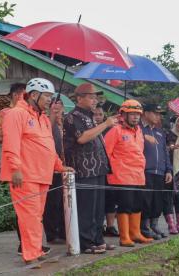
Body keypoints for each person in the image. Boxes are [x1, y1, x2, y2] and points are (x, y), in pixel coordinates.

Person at [0, 78, 74, 267]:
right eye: (47, 96)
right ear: (34, 95)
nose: (50, 100)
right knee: (29, 217)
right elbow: (11, 144)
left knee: (36, 216)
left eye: (51, 96)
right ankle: (30, 254)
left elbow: (49, 147)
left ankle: (35, 250)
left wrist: (59, 166)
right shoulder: (16, 114)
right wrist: (15, 169)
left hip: (42, 174)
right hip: (24, 175)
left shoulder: (42, 118)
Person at [64, 83, 119, 254]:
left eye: (96, 97)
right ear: (79, 98)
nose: (95, 100)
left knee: (98, 208)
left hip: (98, 168)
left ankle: (97, 239)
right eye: (91, 96)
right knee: (86, 208)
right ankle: (86, 243)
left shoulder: (90, 116)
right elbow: (82, 138)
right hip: (83, 169)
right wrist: (105, 124)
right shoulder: (73, 116)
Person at [104, 99, 153, 247]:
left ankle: (135, 233)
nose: (135, 117)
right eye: (132, 114)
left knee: (137, 205)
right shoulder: (115, 130)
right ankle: (124, 237)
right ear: (123, 114)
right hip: (121, 176)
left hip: (138, 175)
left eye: (138, 114)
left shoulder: (139, 131)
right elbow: (106, 152)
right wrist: (112, 171)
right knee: (125, 206)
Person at [141, 104, 173, 240]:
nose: (158, 116)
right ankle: (144, 226)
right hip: (145, 171)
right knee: (146, 200)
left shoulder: (160, 132)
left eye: (160, 114)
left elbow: (165, 152)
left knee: (157, 200)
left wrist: (168, 170)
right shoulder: (139, 130)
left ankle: (154, 224)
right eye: (155, 113)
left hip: (160, 172)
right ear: (146, 113)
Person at [43, 99, 67, 244]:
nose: (57, 112)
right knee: (52, 202)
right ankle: (52, 233)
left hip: (64, 165)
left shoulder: (64, 123)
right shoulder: (46, 121)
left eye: (59, 109)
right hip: (50, 167)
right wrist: (52, 115)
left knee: (63, 201)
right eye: (54, 109)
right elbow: (47, 132)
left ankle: (63, 231)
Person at [93, 105, 119, 238]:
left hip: (110, 168)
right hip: (95, 168)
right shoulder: (90, 129)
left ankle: (110, 225)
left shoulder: (110, 129)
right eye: (95, 114)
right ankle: (98, 225)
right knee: (98, 200)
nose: (98, 117)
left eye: (100, 114)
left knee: (111, 198)